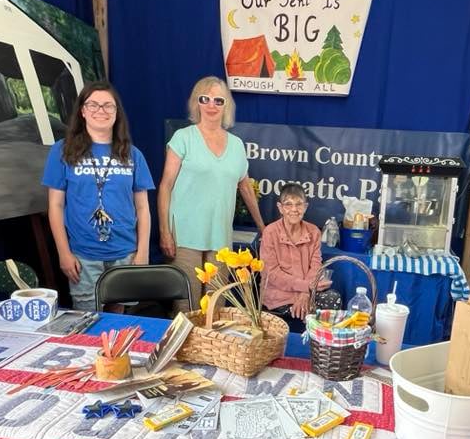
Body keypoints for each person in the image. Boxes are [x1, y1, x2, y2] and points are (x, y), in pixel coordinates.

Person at [43, 80, 154, 311]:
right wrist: (64, 252)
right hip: (83, 255)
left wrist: (142, 251)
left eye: (108, 106)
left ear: (116, 112)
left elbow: (143, 208)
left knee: (118, 322)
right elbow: (55, 205)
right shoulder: (62, 151)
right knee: (87, 322)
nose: (100, 111)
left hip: (125, 253)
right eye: (93, 105)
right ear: (83, 111)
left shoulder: (133, 154)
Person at [157, 76, 264, 309]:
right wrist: (165, 231)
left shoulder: (236, 144)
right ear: (197, 103)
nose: (212, 105)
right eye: (205, 99)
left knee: (216, 308)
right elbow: (165, 185)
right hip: (184, 236)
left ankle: (211, 348)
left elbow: (244, 187)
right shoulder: (183, 138)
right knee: (186, 308)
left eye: (219, 100)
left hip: (220, 238)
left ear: (227, 105)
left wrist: (263, 228)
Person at [260, 183, 338, 333]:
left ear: (306, 207)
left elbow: (316, 266)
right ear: (280, 208)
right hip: (279, 294)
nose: (294, 209)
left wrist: (305, 293)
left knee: (333, 298)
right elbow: (271, 273)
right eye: (288, 204)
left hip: (307, 291)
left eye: (299, 204)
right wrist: (305, 286)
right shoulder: (270, 232)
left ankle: (322, 348)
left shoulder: (313, 231)